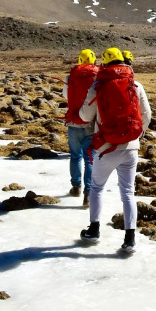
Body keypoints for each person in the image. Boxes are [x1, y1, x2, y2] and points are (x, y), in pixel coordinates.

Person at [78, 47, 151, 254]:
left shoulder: (98, 85)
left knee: (97, 188)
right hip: (131, 147)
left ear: (105, 63)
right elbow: (147, 115)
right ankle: (130, 238)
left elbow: (84, 115)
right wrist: (136, 135)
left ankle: (94, 230)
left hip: (106, 147)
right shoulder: (135, 84)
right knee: (128, 192)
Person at [64, 49, 99, 207]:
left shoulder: (71, 76)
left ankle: (76, 187)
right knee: (89, 159)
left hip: (73, 123)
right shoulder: (98, 77)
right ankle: (88, 194)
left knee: (75, 156)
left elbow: (66, 95)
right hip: (91, 124)